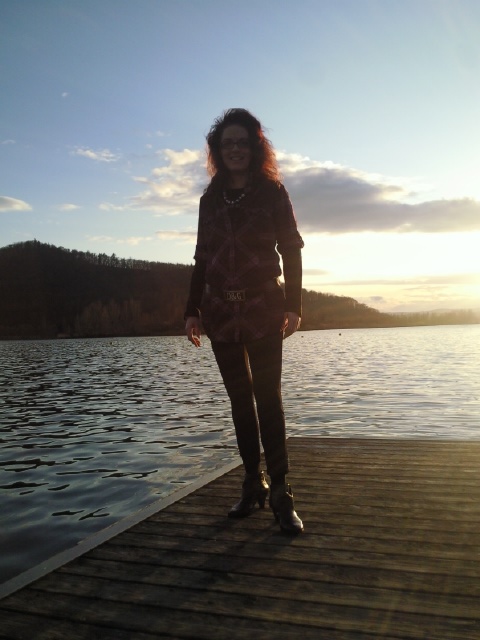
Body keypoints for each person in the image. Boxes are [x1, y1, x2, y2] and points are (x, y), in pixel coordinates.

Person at [184, 108, 304, 534]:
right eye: (226, 144)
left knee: (268, 398)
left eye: (241, 142)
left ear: (255, 147)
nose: (234, 149)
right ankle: (253, 483)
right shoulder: (209, 200)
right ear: (217, 151)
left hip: (264, 307)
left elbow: (291, 248)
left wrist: (294, 304)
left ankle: (282, 492)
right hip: (219, 312)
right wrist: (192, 310)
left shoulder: (272, 192)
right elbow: (201, 258)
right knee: (239, 400)